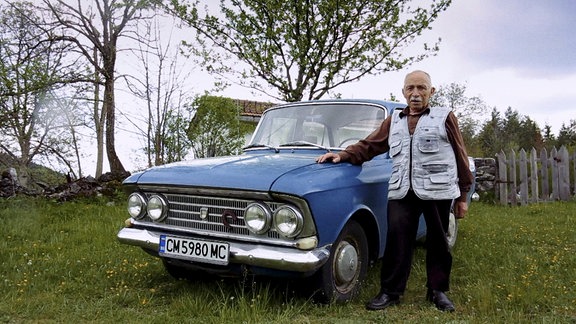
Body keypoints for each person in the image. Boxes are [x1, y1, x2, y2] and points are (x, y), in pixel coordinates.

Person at [316, 70, 474, 312]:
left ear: (432, 92)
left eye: (421, 88)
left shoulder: (445, 117)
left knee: (438, 242)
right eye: (410, 88)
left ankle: (437, 291)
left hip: (438, 190)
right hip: (402, 191)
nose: (415, 94)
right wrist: (344, 155)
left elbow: (460, 156)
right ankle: (390, 292)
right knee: (397, 241)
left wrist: (462, 196)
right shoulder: (395, 120)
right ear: (403, 92)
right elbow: (370, 145)